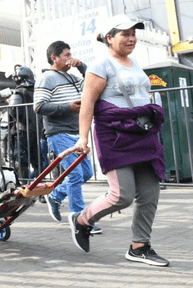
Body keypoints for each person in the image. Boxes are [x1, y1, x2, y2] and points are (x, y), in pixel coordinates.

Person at [71, 15, 169, 267]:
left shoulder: (134, 63)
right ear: (109, 37)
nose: (131, 38)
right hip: (114, 136)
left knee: (149, 193)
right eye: (125, 33)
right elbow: (88, 104)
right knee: (121, 196)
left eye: (133, 33)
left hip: (141, 134)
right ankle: (83, 220)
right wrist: (83, 137)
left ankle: (139, 247)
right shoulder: (100, 66)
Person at [33, 41, 101, 234]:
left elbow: (91, 83)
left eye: (71, 54)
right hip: (58, 132)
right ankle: (80, 220)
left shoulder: (72, 77)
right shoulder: (46, 77)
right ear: (54, 57)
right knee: (75, 174)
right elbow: (38, 107)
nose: (70, 58)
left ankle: (56, 195)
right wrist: (67, 107)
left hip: (76, 133)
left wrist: (80, 66)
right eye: (66, 55)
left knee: (86, 173)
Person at [1, 65, 42, 178]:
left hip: (23, 131)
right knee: (37, 159)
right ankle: (40, 185)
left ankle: (24, 184)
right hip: (37, 131)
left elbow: (13, 111)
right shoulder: (37, 91)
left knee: (21, 159)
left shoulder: (19, 92)